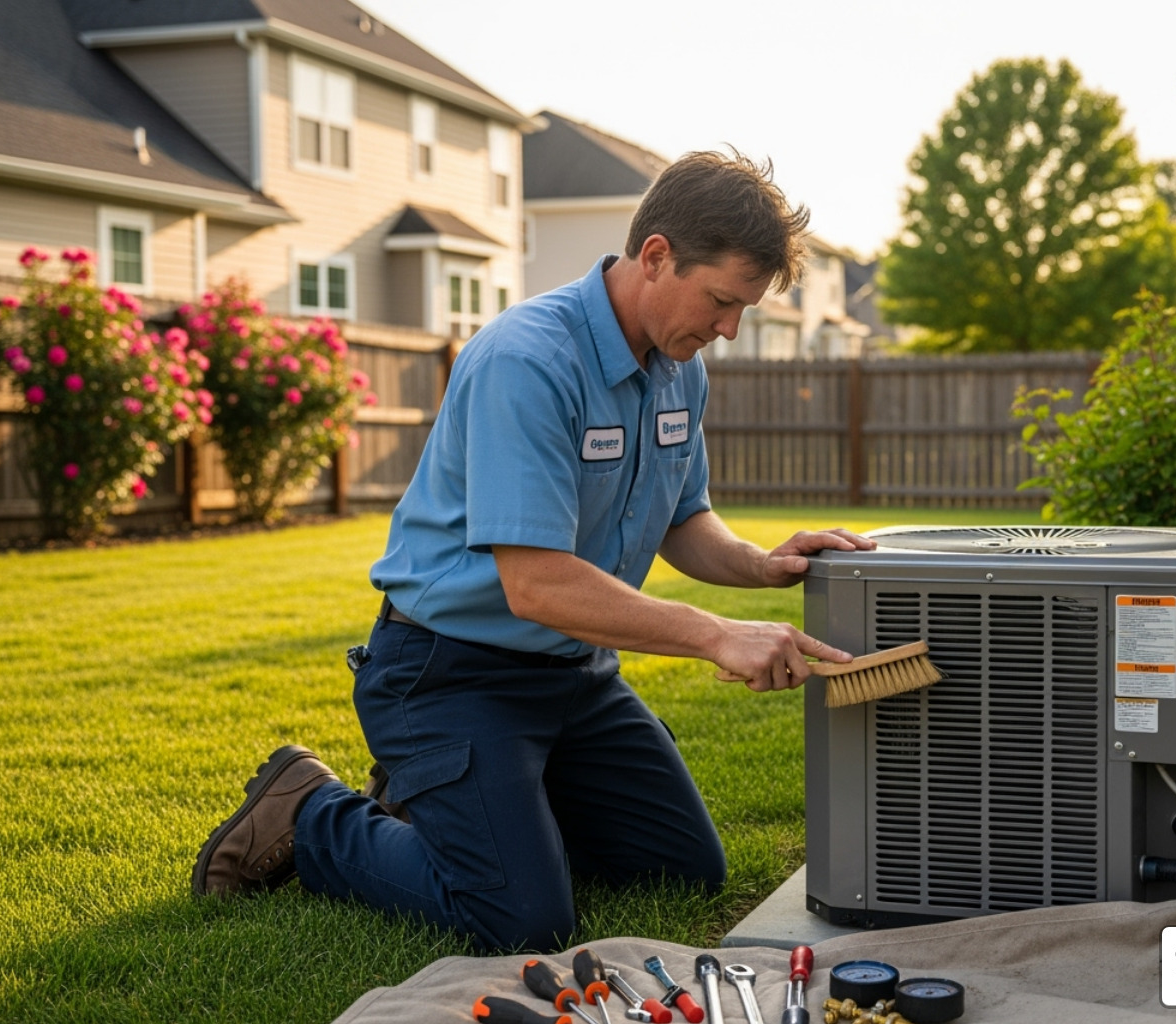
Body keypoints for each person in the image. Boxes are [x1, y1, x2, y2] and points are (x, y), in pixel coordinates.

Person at [191, 150, 876, 951]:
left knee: (681, 869)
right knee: (522, 920)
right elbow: (538, 586)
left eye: (743, 311)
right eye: (722, 301)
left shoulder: (679, 370)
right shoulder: (529, 360)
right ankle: (309, 812)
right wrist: (715, 634)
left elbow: (683, 518)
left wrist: (761, 564)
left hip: (576, 674)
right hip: (449, 672)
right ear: (657, 256)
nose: (728, 329)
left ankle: (483, 803)